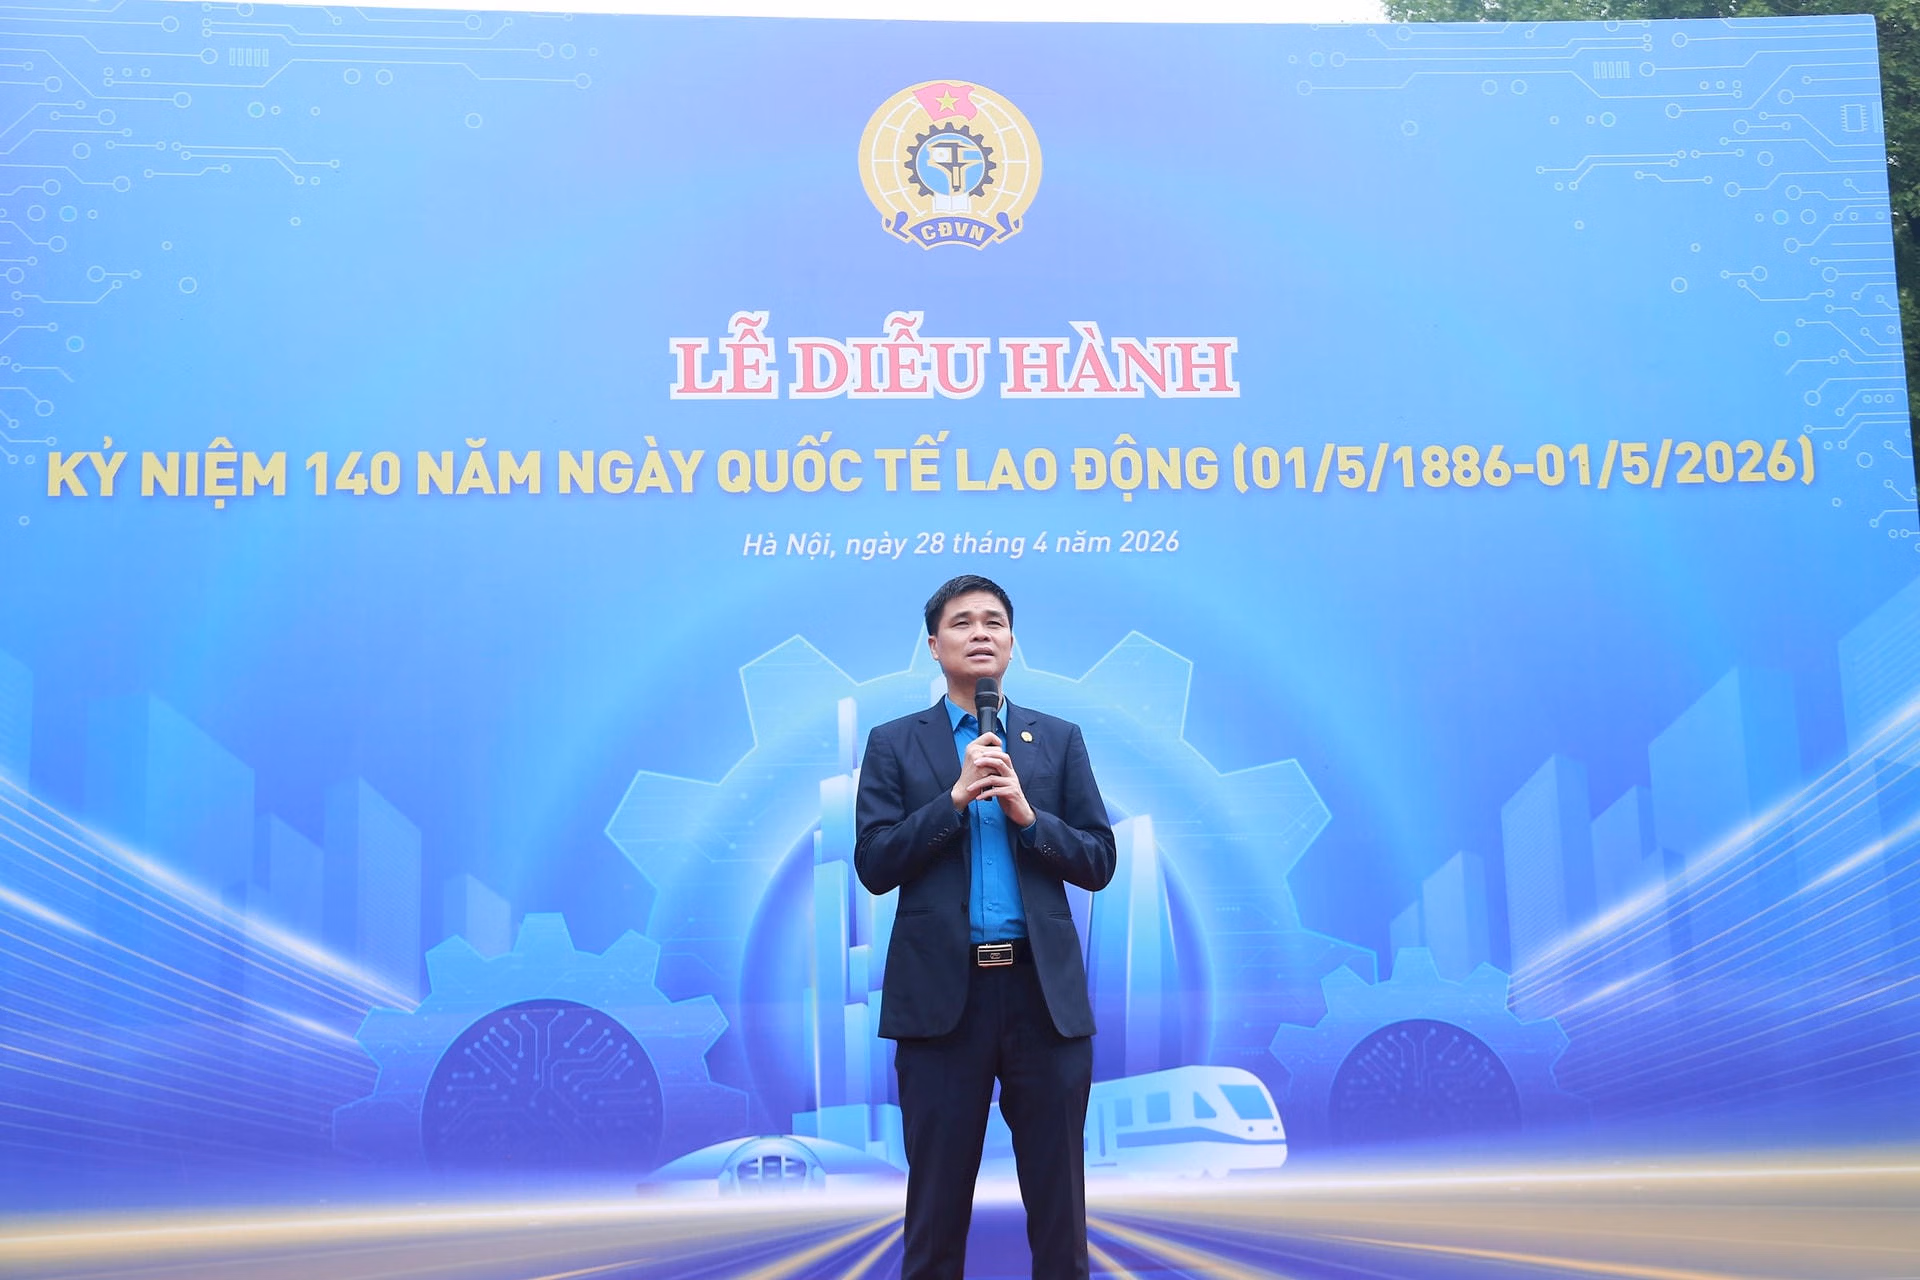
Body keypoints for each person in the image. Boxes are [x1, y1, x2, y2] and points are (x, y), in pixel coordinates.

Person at [854, 574, 1116, 1280]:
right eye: (963, 622)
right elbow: (875, 863)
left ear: (1011, 643)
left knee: (1060, 1218)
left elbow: (1098, 861)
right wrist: (953, 798)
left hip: (1042, 1000)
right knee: (935, 1219)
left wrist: (1029, 817)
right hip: (944, 1004)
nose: (980, 633)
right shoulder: (894, 744)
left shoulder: (1056, 740)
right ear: (933, 645)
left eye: (994, 622)